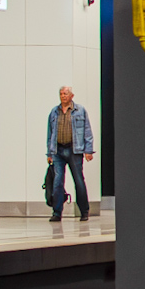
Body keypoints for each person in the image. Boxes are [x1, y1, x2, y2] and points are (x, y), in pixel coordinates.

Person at [46, 86, 94, 222]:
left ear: (72, 96)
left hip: (74, 150)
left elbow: (87, 131)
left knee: (79, 181)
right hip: (58, 151)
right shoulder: (54, 112)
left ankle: (84, 211)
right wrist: (49, 153)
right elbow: (50, 133)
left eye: (65, 94)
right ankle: (57, 212)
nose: (63, 96)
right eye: (61, 94)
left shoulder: (80, 110)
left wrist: (88, 150)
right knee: (57, 182)